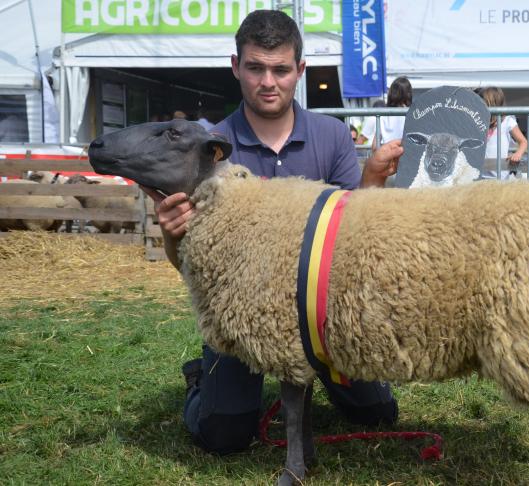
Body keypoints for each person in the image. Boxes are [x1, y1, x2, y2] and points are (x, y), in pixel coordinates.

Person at [144, 10, 403, 454]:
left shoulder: (332, 136)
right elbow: (192, 265)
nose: (269, 81)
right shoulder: (208, 146)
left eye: (281, 69)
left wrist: (373, 180)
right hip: (244, 319)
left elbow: (353, 235)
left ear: (299, 71)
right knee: (224, 436)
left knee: (378, 415)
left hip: (321, 320)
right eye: (256, 68)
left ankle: (316, 374)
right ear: (236, 67)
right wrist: (173, 234)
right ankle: (200, 384)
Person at [478, 86, 528, 178]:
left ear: (492, 103)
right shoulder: (479, 120)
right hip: (481, 175)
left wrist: (518, 154)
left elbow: (523, 141)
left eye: (482, 103)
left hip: (500, 176)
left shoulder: (507, 121)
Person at [359, 77, 412, 148]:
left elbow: (375, 146)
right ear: (408, 93)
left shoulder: (383, 115)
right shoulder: (411, 114)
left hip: (386, 155)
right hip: (404, 154)